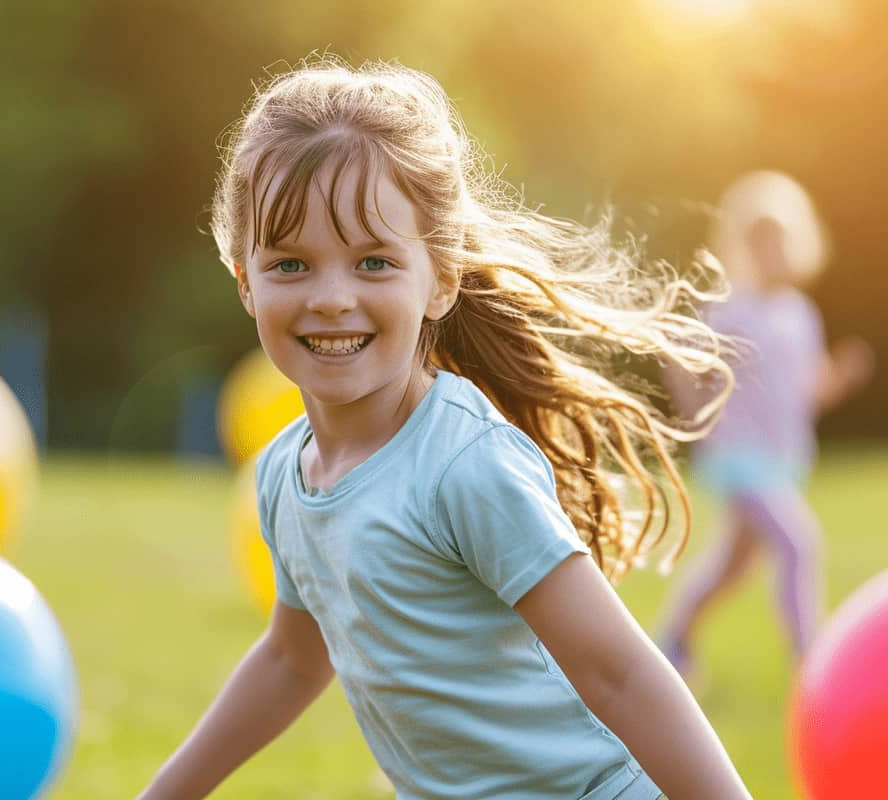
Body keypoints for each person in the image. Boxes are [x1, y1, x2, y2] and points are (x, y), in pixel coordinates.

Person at [140, 59, 751, 800]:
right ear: (245, 281)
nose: (332, 298)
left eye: (373, 262)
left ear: (441, 280)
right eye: (292, 264)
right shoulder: (283, 476)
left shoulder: (464, 464)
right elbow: (291, 661)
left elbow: (618, 672)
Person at [659, 171, 875, 682]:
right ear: (741, 247)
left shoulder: (799, 313)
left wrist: (839, 377)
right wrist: (698, 417)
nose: (770, 251)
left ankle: (673, 639)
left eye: (779, 240)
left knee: (731, 567)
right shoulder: (733, 311)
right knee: (800, 544)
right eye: (759, 241)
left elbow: (806, 393)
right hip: (738, 459)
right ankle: (814, 668)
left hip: (780, 461)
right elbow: (678, 359)